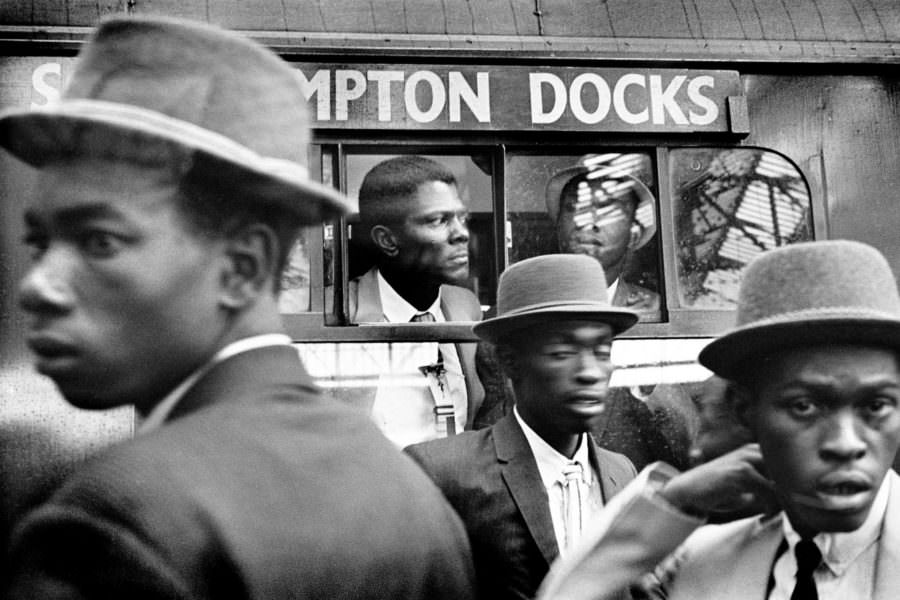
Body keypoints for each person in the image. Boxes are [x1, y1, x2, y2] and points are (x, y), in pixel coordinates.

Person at [0, 16, 474, 600]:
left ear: (244, 266)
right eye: (38, 244)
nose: (38, 286)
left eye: (99, 240)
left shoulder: (109, 523)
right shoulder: (413, 497)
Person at [538, 239, 900, 600]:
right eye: (803, 406)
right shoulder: (705, 562)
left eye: (877, 406)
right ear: (746, 411)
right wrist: (675, 500)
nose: (846, 443)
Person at [406, 254, 638, 600]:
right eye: (562, 352)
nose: (590, 371)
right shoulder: (444, 473)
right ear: (509, 362)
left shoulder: (622, 475)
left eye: (602, 351)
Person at [344, 155, 485, 445]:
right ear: (387, 240)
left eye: (462, 218)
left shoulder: (465, 307)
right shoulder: (344, 313)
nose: (462, 234)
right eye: (438, 220)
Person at [545, 154, 659, 312]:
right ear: (558, 226)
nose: (586, 221)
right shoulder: (523, 309)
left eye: (607, 210)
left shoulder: (653, 310)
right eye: (574, 206)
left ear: (634, 235)